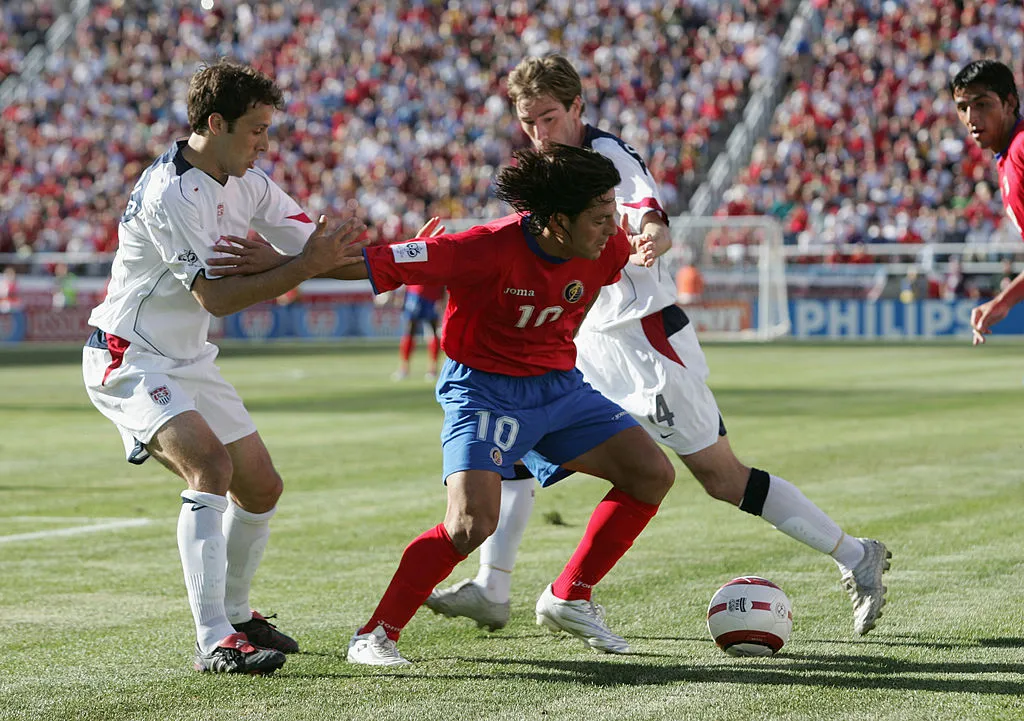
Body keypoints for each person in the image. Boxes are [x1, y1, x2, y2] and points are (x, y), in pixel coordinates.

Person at [426, 54, 891, 637]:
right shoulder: (546, 171)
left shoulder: (608, 157)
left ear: (577, 107)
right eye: (527, 123)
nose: (538, 134)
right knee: (514, 434)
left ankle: (855, 555)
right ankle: (497, 586)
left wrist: (650, 232)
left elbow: (646, 207)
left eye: (548, 117)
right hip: (585, 342)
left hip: (643, 338)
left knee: (722, 478)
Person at [81, 60, 367, 675]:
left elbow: (316, 248)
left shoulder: (248, 181)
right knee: (210, 466)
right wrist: (300, 268)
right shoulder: (172, 191)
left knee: (261, 486)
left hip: (188, 359)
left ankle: (236, 612)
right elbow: (217, 297)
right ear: (216, 123)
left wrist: (414, 262)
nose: (264, 143)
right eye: (257, 130)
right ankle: (214, 638)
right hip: (129, 356)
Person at [338, 144, 674, 665]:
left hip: (559, 386)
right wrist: (282, 267)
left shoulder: (605, 250)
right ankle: (375, 634)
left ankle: (570, 595)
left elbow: (615, 252)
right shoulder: (485, 248)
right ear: (558, 221)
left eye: (615, 214)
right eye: (602, 217)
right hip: (483, 389)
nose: (614, 228)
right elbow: (378, 261)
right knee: (471, 524)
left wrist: (653, 229)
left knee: (651, 473)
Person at [952, 60, 1024, 344]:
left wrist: (1004, 302)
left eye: (982, 104)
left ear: (1009, 103)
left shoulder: (1020, 149)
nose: (971, 116)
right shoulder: (1007, 156)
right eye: (963, 107)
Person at [392, 281, 446, 381]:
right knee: (411, 330)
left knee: (431, 331)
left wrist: (442, 297)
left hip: (429, 293)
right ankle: (405, 367)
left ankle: (432, 368)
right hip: (416, 292)